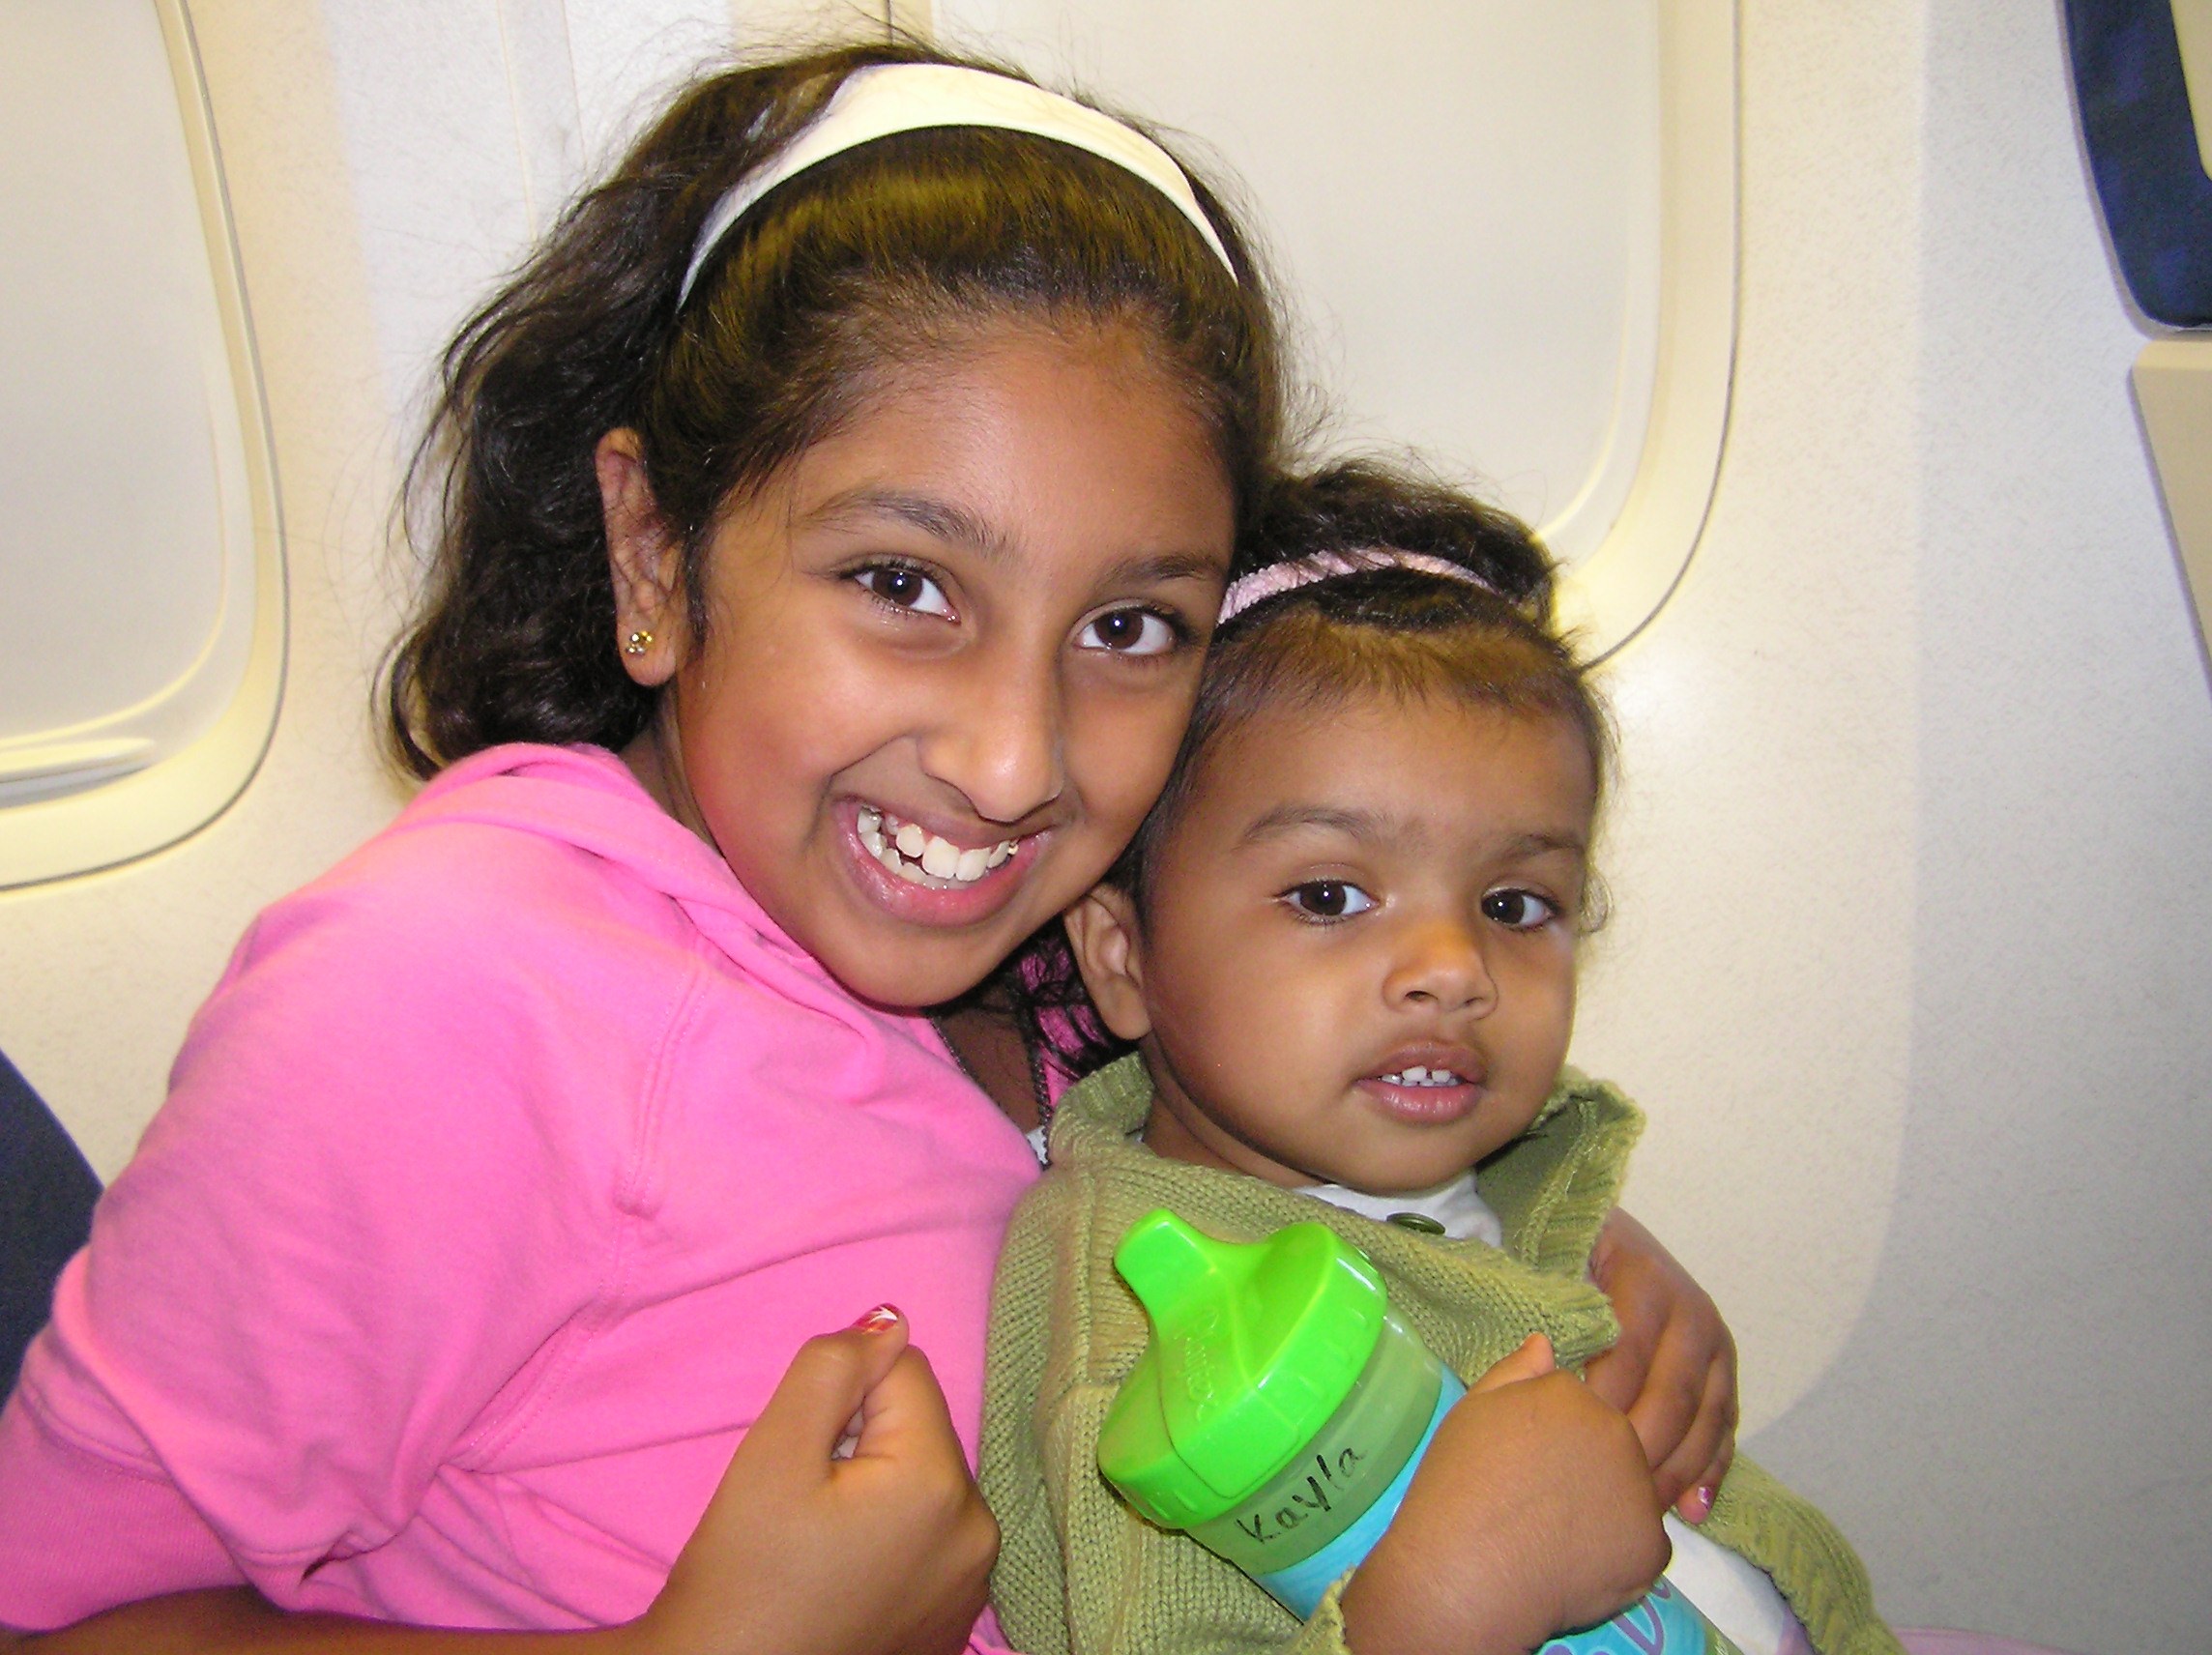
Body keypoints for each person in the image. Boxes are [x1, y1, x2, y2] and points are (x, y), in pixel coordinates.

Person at [0, 44, 1735, 1655]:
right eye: (903, 584)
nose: (1008, 760)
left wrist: (1520, 1242)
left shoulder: (1064, 949)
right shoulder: (451, 998)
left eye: (1130, 623)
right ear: (656, 552)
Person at [980, 464, 1899, 1655]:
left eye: (1514, 904)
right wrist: (1442, 1607)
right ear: (1121, 955)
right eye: (1328, 893)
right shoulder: (1139, 1335)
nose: (1453, 966)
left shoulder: (1480, 1164)